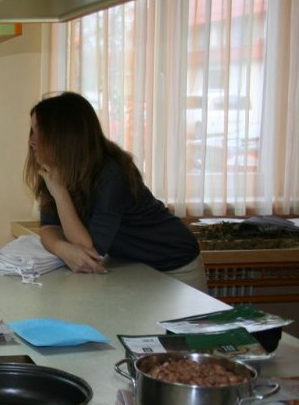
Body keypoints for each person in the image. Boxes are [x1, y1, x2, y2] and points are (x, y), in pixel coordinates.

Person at [23, 91, 208, 292]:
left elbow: (89, 249)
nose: (31, 141)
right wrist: (62, 248)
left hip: (176, 266)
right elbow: (49, 228)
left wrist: (59, 192)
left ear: (64, 135)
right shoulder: (55, 170)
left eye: (38, 131)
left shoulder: (112, 172)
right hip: (133, 267)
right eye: (31, 131)